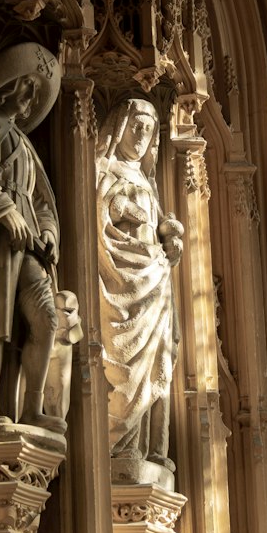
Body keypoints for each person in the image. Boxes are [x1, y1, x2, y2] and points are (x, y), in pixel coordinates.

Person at [0, 42, 61, 425]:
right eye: (26, 87)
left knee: (47, 319)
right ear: (6, 87)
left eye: (35, 92)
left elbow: (42, 200)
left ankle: (31, 408)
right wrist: (3, 208)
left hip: (30, 249)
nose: (31, 97)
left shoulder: (25, 145)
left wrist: (49, 231)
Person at [95, 97, 183, 463]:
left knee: (160, 360)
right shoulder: (105, 169)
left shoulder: (147, 181)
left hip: (155, 282)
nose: (141, 135)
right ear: (119, 127)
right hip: (122, 281)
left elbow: (157, 224)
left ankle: (151, 450)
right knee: (128, 368)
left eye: (148, 130)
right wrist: (126, 212)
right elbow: (101, 215)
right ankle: (121, 448)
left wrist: (170, 236)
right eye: (135, 126)